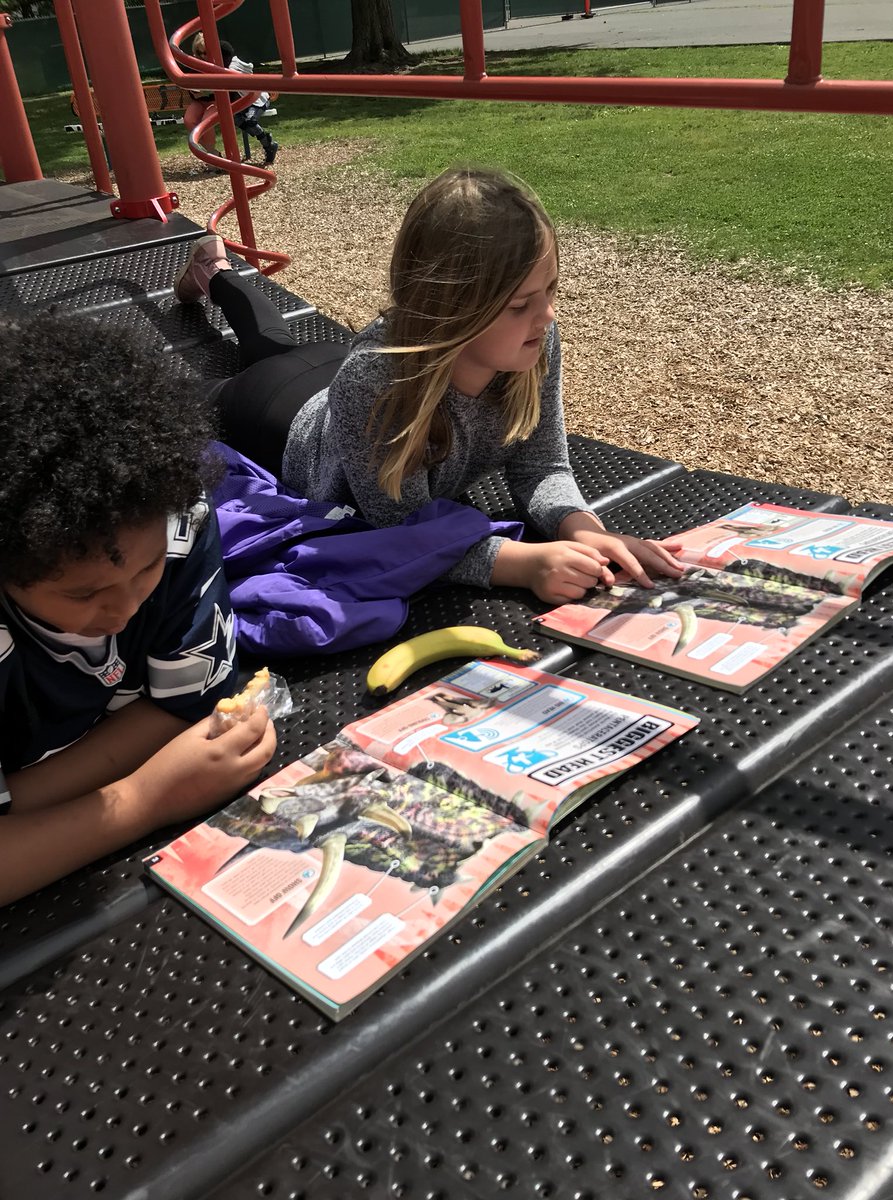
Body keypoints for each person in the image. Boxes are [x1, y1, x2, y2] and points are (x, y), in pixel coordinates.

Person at [174, 166, 684, 605]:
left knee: (275, 339)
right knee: (187, 399)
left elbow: (542, 465)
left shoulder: (535, 341)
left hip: (348, 390)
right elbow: (400, 529)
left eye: (550, 290)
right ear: (451, 310)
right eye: (519, 305)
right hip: (280, 415)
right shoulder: (374, 381)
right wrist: (524, 564)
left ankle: (214, 270)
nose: (546, 315)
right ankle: (216, 272)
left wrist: (585, 531)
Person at [0, 313, 277, 906]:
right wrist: (145, 798)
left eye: (146, 570)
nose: (125, 609)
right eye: (82, 594)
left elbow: (186, 706)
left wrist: (20, 798)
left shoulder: (175, 524)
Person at [185, 33, 278, 166]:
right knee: (191, 120)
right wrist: (197, 91)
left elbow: (230, 81)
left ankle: (268, 145)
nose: (204, 56)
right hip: (216, 100)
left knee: (243, 120)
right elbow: (192, 87)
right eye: (201, 53)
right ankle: (212, 153)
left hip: (238, 99)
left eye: (207, 52)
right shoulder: (196, 63)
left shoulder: (228, 63)